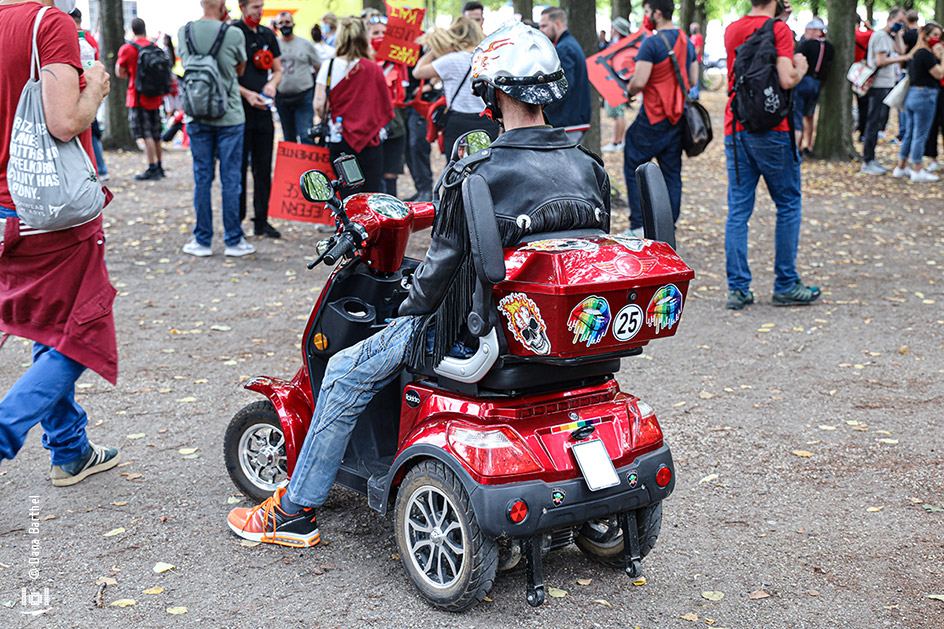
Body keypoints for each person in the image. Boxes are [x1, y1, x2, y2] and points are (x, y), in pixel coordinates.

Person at [227, 22, 610, 545]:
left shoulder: (477, 172)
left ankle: (294, 512)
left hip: (475, 333)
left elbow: (437, 276)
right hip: (555, 336)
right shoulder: (588, 167)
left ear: (495, 94)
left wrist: (409, 300)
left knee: (341, 370)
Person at [0, 0, 120, 485]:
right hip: (49, 213)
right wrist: (95, 89)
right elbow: (65, 121)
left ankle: (69, 448)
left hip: (8, 211)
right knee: (82, 334)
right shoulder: (48, 21)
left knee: (47, 326)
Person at [723, 0, 820, 310]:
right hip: (773, 129)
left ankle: (738, 289)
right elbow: (787, 78)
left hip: (736, 126)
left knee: (738, 211)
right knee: (789, 204)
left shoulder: (732, 29)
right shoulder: (779, 30)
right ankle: (786, 283)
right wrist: (801, 66)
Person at [179, 0, 254, 257]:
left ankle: (202, 240)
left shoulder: (184, 31)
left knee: (202, 178)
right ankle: (233, 240)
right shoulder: (233, 33)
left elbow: (184, 64)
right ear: (222, 4)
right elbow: (240, 69)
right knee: (231, 179)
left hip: (196, 114)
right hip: (229, 115)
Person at [622, 0, 697, 237]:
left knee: (634, 165)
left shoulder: (651, 43)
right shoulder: (686, 41)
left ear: (656, 12)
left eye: (646, 12)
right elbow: (693, 79)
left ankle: (638, 225)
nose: (646, 17)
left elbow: (640, 81)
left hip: (653, 116)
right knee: (672, 174)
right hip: (676, 117)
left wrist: (629, 91)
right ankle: (667, 228)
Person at [314, 17, 392, 196]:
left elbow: (319, 104)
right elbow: (386, 107)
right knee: (370, 195)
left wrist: (329, 117)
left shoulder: (329, 66)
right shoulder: (374, 69)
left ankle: (347, 224)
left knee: (348, 194)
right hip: (371, 141)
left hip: (340, 139)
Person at [413, 17, 498, 158]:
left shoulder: (452, 60)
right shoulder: (490, 58)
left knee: (456, 168)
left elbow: (418, 72)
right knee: (486, 164)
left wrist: (435, 50)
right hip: (487, 119)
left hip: (458, 121)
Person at [235, 0, 282, 238]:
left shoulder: (267, 34)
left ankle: (261, 221)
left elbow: (278, 69)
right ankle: (237, 222)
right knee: (239, 168)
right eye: (254, 7)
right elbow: (227, 75)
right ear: (242, 7)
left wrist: (272, 85)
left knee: (263, 169)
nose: (259, 11)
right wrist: (247, 94)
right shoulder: (233, 32)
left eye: (261, 6)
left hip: (263, 112)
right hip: (238, 113)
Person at [893, 22, 944, 182]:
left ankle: (901, 167)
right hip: (925, 96)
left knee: (909, 133)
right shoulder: (925, 54)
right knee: (920, 134)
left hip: (913, 95)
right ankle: (917, 169)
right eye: (934, 34)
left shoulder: (915, 53)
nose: (936, 38)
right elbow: (939, 74)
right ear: (925, 35)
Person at [117, 18, 166, 180]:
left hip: (138, 96)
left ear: (132, 29)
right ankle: (160, 166)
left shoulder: (128, 49)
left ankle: (151, 167)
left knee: (147, 134)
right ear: (145, 29)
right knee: (156, 133)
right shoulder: (154, 47)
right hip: (156, 96)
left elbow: (119, 71)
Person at [861, 7, 907, 175]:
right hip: (878, 84)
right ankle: (867, 160)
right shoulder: (880, 36)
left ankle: (871, 159)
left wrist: (899, 34)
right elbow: (880, 60)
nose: (900, 25)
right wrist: (903, 59)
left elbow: (901, 50)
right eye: (899, 22)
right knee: (873, 122)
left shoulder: (890, 36)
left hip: (887, 83)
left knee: (879, 121)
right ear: (890, 19)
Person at [539, 7, 592, 142]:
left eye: (544, 26)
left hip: (568, 123)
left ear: (557, 24)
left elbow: (563, 88)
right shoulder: (569, 44)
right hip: (574, 121)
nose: (541, 31)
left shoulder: (564, 48)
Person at [69, 7, 108, 181]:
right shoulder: (90, 39)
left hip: (83, 92)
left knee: (90, 132)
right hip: (93, 90)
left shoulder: (74, 39)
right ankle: (98, 167)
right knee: (92, 131)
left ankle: (98, 167)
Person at [274, 11, 320, 145]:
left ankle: (310, 166)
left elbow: (318, 68)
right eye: (281, 23)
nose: (285, 25)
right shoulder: (273, 45)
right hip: (282, 97)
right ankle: (293, 167)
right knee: (289, 139)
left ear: (293, 24)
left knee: (306, 136)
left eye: (287, 22)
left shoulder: (305, 44)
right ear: (277, 26)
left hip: (303, 96)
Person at [793, 17, 834, 155]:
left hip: (803, 81)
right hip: (816, 84)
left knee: (797, 116)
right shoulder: (829, 47)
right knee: (809, 115)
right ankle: (809, 144)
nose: (806, 32)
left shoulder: (806, 46)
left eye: (809, 30)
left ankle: (797, 147)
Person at [601, 17, 631, 153]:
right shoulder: (623, 44)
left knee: (617, 114)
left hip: (615, 84)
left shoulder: (619, 45)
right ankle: (618, 141)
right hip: (616, 83)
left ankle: (616, 141)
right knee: (619, 114)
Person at [854, 16, 874, 138]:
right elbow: (878, 37)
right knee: (863, 104)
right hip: (861, 74)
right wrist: (870, 27)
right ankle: (863, 131)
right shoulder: (866, 35)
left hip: (848, 71)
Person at [689, 22, 704, 99]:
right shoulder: (692, 37)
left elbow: (698, 48)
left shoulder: (698, 37)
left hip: (696, 60)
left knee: (695, 77)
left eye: (694, 28)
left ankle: (695, 94)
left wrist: (692, 56)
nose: (692, 29)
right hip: (691, 60)